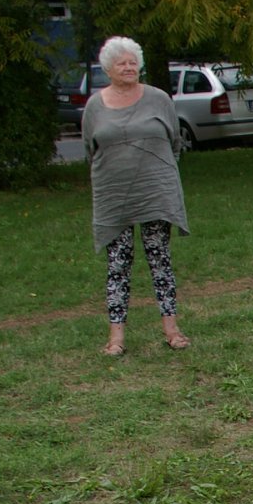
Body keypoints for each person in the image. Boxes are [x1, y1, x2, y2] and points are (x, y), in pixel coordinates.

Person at [84, 36, 192, 356]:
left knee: (160, 259)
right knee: (118, 264)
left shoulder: (159, 98)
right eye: (122, 63)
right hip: (113, 196)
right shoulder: (94, 106)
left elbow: (174, 142)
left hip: (155, 192)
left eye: (133, 62)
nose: (129, 67)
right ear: (108, 69)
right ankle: (116, 337)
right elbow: (91, 149)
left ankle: (172, 329)